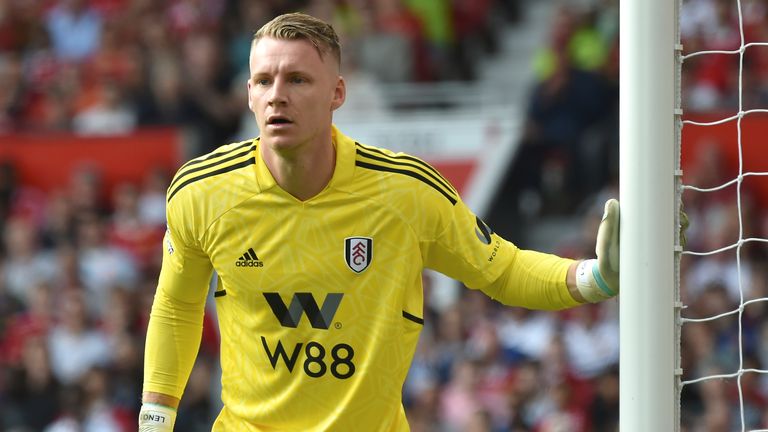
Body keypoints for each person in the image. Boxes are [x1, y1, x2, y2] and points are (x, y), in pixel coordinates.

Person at [139, 12, 620, 431]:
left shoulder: (405, 193)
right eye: (264, 81)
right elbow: (176, 306)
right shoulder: (201, 193)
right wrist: (155, 420)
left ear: (338, 93)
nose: (277, 96)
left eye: (298, 80)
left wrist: (593, 276)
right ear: (248, 95)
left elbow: (504, 270)